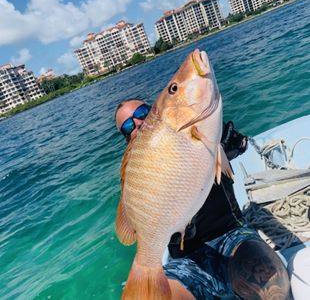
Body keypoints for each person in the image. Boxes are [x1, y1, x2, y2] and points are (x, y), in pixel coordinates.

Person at [115, 99, 290, 300]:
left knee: (270, 282)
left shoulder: (196, 134)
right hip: (186, 258)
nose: (137, 122)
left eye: (142, 112)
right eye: (128, 126)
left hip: (232, 235)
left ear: (156, 111)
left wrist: (222, 140)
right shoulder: (141, 176)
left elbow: (233, 143)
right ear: (129, 140)